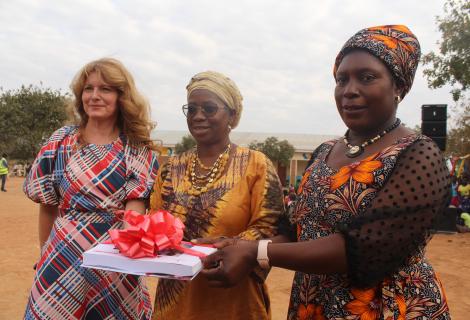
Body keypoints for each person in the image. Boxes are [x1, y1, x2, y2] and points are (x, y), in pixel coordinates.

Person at [200, 25, 451, 319]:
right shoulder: (323, 152)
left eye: (366, 78)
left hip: (387, 309)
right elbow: (295, 232)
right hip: (314, 306)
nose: (349, 91)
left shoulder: (419, 154)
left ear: (399, 86)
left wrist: (256, 252)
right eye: (341, 79)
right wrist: (236, 245)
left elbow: (361, 248)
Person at [23, 58, 159, 319]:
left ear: (122, 97)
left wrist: (125, 255)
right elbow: (48, 206)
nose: (94, 96)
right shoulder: (60, 141)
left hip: (115, 255)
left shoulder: (135, 148)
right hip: (62, 255)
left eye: (105, 89)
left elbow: (135, 211)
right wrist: (45, 254)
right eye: (88, 89)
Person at [150, 71, 284, 319]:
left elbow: (272, 228)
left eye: (209, 109)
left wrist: (229, 247)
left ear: (232, 115)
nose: (198, 116)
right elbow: (157, 223)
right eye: (191, 109)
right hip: (175, 302)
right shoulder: (170, 168)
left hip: (233, 299)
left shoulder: (256, 164)